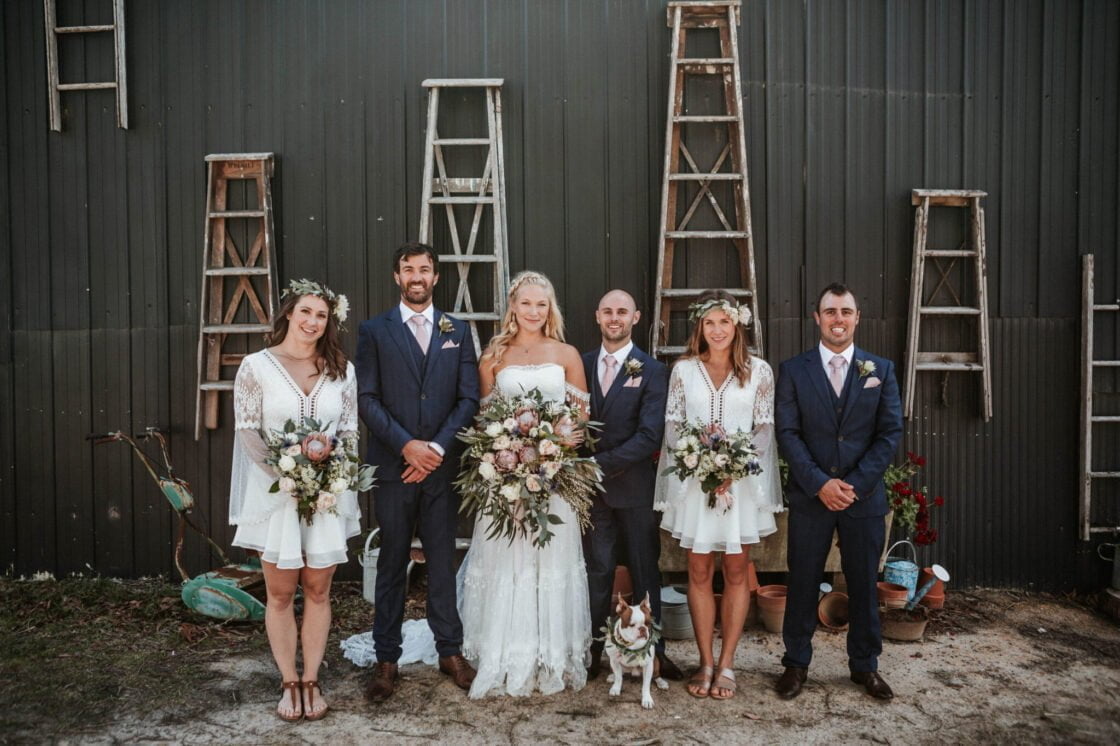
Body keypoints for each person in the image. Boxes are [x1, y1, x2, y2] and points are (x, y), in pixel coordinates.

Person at [228, 278, 361, 722]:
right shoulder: (256, 366)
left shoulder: (342, 370)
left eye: (322, 315)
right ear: (289, 313)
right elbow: (248, 431)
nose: (312, 321)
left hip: (325, 497)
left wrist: (329, 478)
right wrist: (287, 476)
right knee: (281, 593)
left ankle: (312, 679)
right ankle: (289, 679)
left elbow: (349, 431)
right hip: (278, 497)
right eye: (305, 311)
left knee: (319, 590)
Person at [458, 270, 594, 698]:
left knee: (549, 559)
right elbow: (484, 420)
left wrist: (558, 444)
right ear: (512, 307)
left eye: (541, 304)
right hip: (506, 476)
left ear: (550, 309)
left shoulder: (567, 353)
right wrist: (509, 454)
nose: (533, 311)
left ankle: (550, 654)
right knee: (510, 560)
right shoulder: (493, 356)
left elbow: (581, 417)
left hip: (555, 477)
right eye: (526, 303)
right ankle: (506, 652)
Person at [356, 242, 481, 701]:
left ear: (435, 276)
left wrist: (436, 448)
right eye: (408, 269)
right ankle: (386, 659)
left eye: (424, 269)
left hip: (441, 468)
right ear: (397, 276)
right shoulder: (374, 331)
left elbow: (468, 398)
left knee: (442, 561)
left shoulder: (458, 331)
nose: (416, 276)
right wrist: (407, 447)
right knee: (392, 561)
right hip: (395, 467)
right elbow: (366, 398)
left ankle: (450, 651)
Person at [774, 282, 903, 701]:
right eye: (830, 311)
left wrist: (855, 486)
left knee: (864, 583)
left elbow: (889, 433)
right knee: (802, 581)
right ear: (817, 318)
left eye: (846, 311)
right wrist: (820, 484)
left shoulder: (880, 370)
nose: (838, 319)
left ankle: (865, 666)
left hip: (862, 499)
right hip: (811, 497)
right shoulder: (794, 370)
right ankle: (796, 664)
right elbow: (788, 433)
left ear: (857, 318)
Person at [654, 289, 783, 700]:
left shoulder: (759, 372)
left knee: (737, 571)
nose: (717, 330)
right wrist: (699, 464)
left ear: (737, 324)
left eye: (724, 321)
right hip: (696, 484)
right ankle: (705, 661)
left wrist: (733, 468)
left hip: (739, 487)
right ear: (699, 327)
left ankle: (727, 663)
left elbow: (763, 429)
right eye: (709, 322)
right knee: (697, 571)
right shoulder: (683, 371)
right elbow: (673, 426)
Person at [581, 289, 682, 682]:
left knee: (644, 573)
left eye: (622, 311)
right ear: (597, 316)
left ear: (635, 317)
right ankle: (593, 652)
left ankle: (656, 654)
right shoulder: (581, 364)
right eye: (607, 311)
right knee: (597, 571)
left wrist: (598, 464)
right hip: (591, 494)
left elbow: (649, 435)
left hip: (635, 489)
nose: (614, 318)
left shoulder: (653, 371)